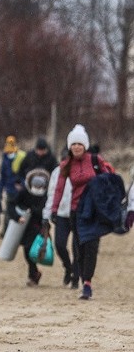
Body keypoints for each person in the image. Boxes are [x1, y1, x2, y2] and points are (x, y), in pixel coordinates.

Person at [49, 124, 114, 300]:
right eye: (73, 144)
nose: (76, 147)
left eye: (80, 144)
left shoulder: (95, 160)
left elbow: (110, 178)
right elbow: (59, 188)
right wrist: (54, 209)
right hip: (76, 211)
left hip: (95, 211)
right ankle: (79, 275)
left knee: (91, 247)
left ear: (85, 145)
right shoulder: (66, 164)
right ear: (69, 146)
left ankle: (87, 284)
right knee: (80, 248)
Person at [43, 165, 77, 288]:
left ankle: (76, 277)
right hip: (62, 214)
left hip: (78, 213)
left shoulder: (83, 169)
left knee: (77, 247)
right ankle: (68, 267)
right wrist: (47, 214)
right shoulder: (57, 171)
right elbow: (52, 193)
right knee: (59, 244)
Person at [15, 169, 50, 286]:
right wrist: (20, 214)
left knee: (32, 248)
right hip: (25, 225)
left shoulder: (47, 195)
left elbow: (45, 210)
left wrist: (34, 211)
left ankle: (32, 275)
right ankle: (33, 273)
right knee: (26, 250)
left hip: (39, 225)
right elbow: (15, 204)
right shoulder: (24, 193)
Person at [0, 135, 25, 235]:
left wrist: (21, 185)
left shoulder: (20, 158)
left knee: (18, 211)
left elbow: (24, 173)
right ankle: (6, 231)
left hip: (18, 190)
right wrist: (1, 189)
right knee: (8, 212)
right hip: (9, 190)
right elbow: (3, 176)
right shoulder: (5, 159)